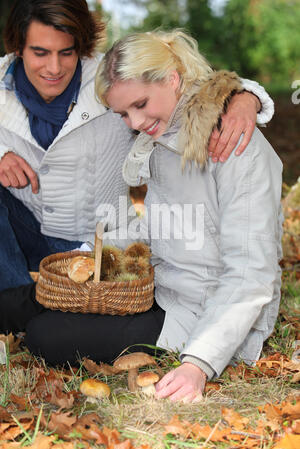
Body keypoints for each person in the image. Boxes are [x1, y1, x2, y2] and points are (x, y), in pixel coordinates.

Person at [0, 0, 274, 293]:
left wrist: (245, 97)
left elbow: (194, 85)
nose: (54, 68)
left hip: (101, 245)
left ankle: (37, 306)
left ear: (80, 46)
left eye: (66, 52)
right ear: (18, 48)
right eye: (40, 53)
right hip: (22, 237)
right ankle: (16, 302)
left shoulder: (112, 81)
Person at [93, 29, 283, 403]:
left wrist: (197, 363)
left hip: (208, 317)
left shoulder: (233, 142)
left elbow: (251, 273)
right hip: (167, 295)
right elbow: (167, 222)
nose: (133, 122)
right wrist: (94, 250)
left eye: (141, 104)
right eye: (123, 113)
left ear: (172, 78)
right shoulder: (164, 137)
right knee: (28, 304)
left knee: (50, 335)